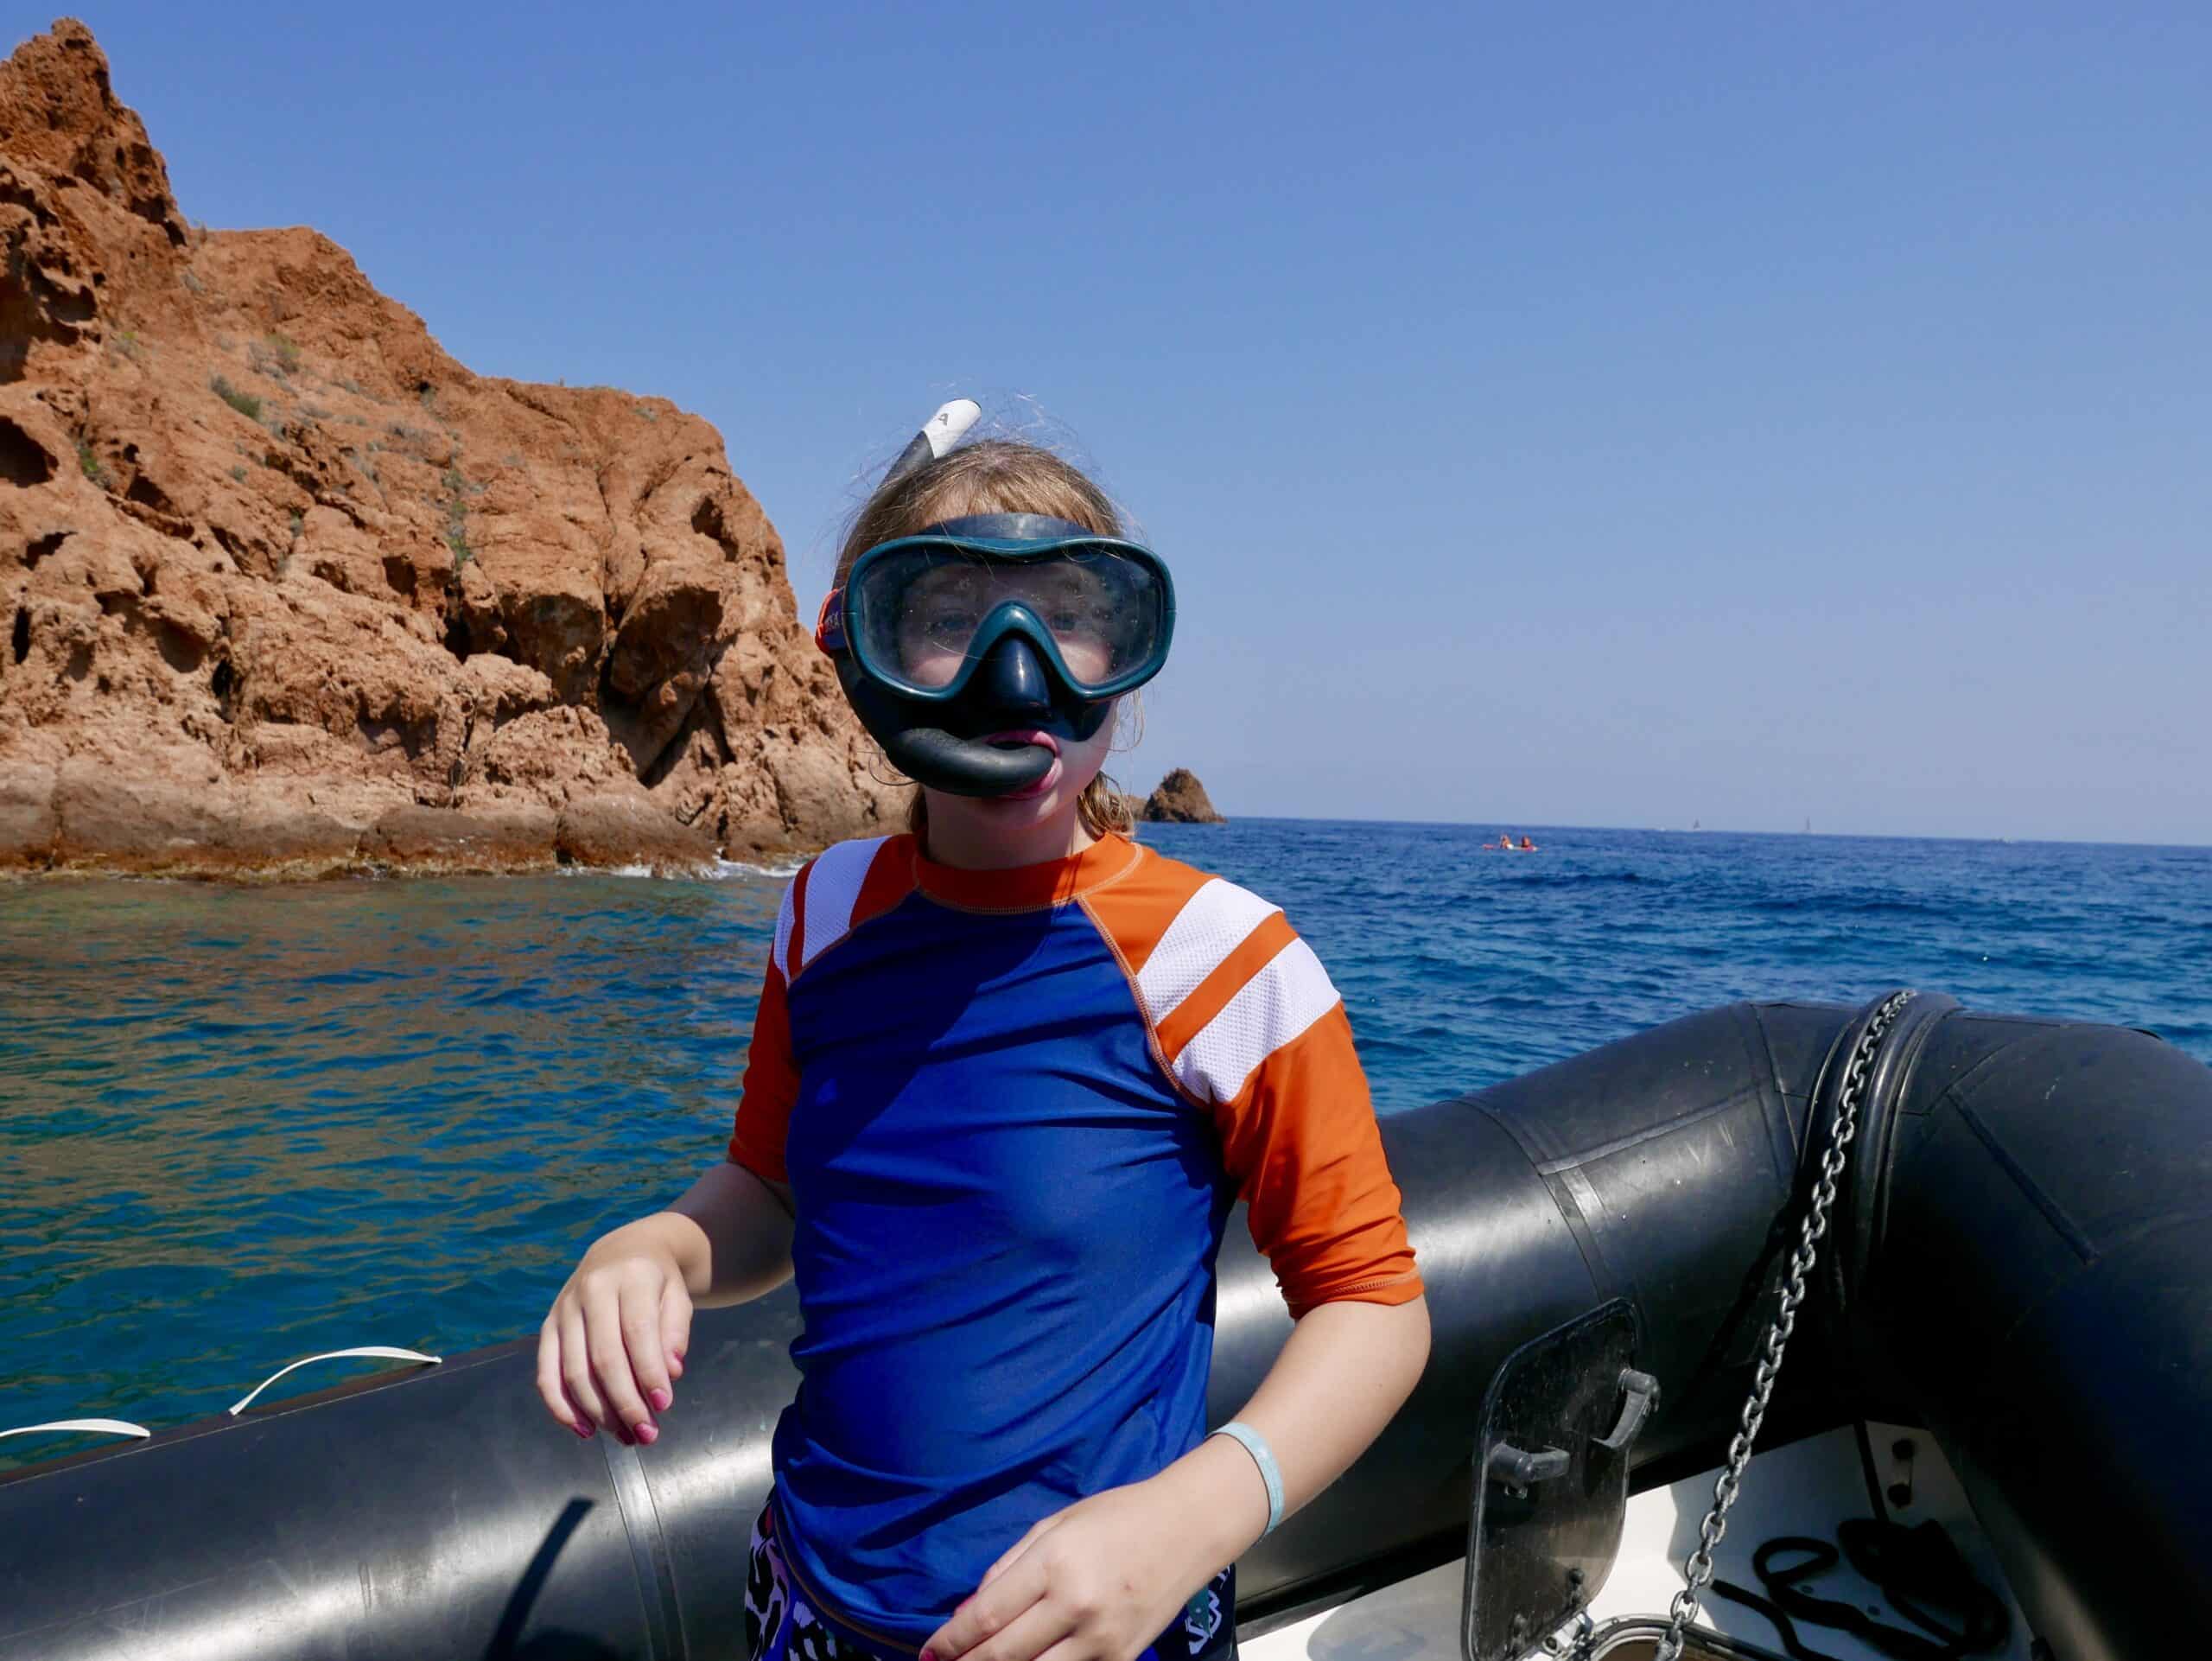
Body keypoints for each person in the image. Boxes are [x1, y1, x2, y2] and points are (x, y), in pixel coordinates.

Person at [537, 407, 1430, 1661]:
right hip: (809, 1608)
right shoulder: (825, 913)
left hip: (1105, 1629)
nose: (1019, 669)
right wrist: (662, 1245)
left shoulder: (1222, 958)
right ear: (868, 659)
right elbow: (772, 1190)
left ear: (1125, 659)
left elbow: (1376, 1307)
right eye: (951, 619)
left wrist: (1191, 1520)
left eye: (1069, 615)